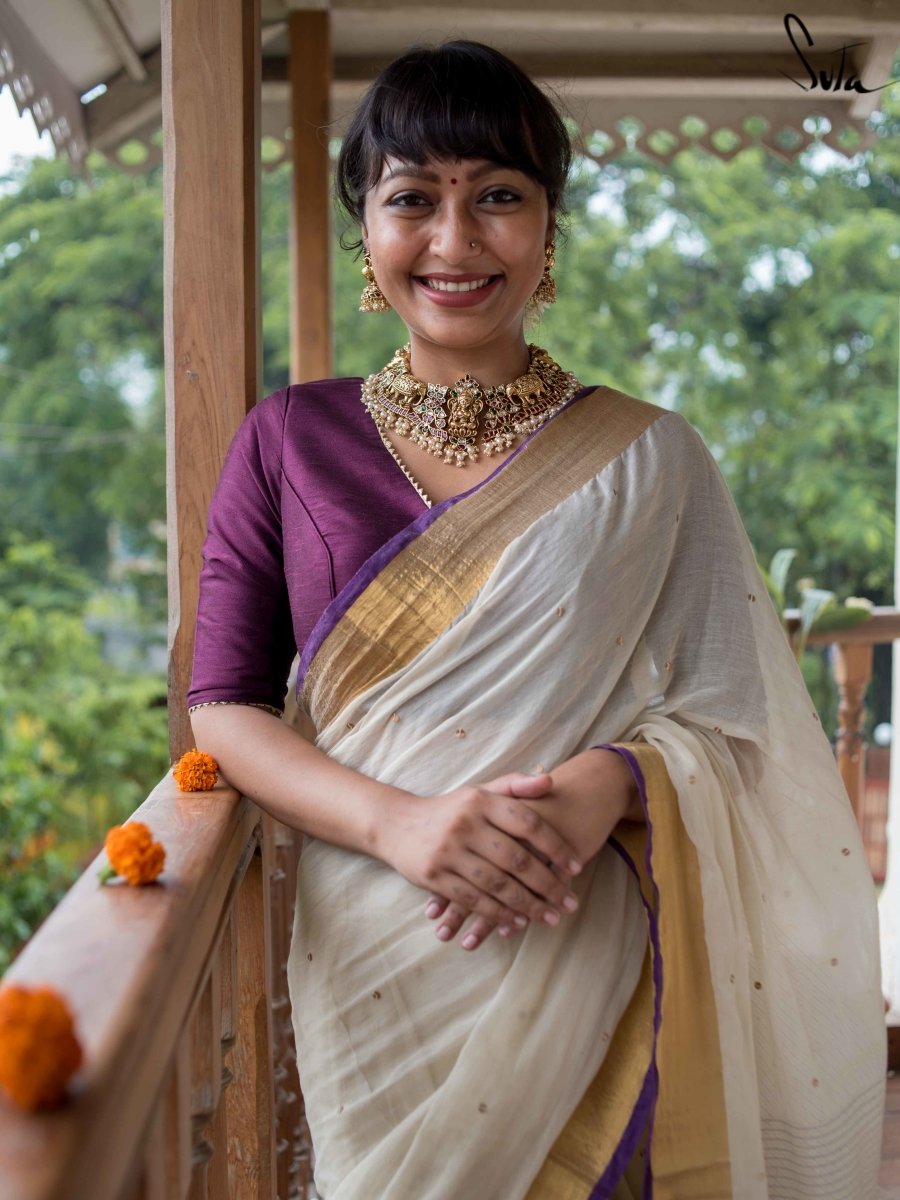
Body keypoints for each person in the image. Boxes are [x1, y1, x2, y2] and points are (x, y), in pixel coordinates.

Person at [187, 39, 885, 1200]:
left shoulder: (652, 459)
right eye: (414, 199)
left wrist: (613, 782)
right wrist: (401, 826)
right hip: (374, 942)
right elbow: (225, 705)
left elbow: (746, 723)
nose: (456, 243)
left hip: (583, 940)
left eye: (498, 198)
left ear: (548, 226)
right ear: (366, 225)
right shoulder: (287, 439)